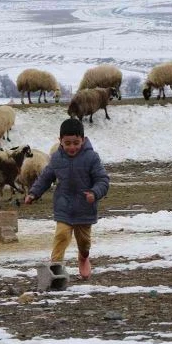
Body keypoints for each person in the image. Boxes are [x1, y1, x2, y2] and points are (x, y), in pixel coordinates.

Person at [24, 118, 110, 279]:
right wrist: (34, 193)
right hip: (64, 206)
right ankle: (55, 267)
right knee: (61, 236)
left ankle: (83, 257)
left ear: (83, 140)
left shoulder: (91, 157)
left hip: (85, 209)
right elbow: (45, 177)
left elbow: (103, 180)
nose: (72, 147)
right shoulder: (57, 158)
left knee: (84, 242)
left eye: (76, 143)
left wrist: (94, 193)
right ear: (60, 141)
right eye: (67, 143)